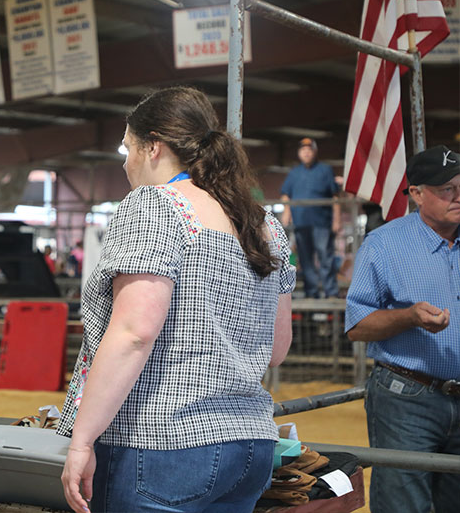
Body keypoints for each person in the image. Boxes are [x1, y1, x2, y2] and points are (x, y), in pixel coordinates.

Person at [57, 86, 294, 513]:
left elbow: (133, 332)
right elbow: (277, 350)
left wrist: (82, 440)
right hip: (250, 445)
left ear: (153, 147)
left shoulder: (154, 206)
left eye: (126, 148)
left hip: (160, 442)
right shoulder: (265, 226)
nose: (125, 161)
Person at [345, 145, 460, 513]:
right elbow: (358, 326)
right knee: (402, 502)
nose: (457, 197)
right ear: (416, 193)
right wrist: (409, 317)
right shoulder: (384, 244)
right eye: (446, 189)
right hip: (407, 396)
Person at [280, 138, 341, 298]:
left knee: (325, 258)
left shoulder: (325, 170)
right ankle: (311, 292)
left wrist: (336, 219)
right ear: (299, 153)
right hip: (301, 224)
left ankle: (331, 292)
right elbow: (286, 194)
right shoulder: (294, 173)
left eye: (309, 149)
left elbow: (335, 196)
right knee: (306, 260)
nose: (306, 152)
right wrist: (286, 213)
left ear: (315, 152)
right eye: (303, 150)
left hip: (322, 223)